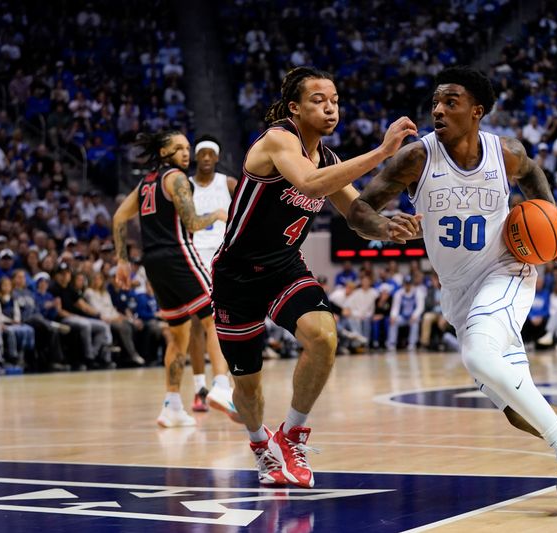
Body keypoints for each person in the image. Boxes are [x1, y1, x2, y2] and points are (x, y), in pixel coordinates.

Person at [347, 67, 557, 500]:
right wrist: (384, 228)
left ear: (476, 111)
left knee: (479, 355)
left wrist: (553, 215)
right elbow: (359, 209)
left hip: (505, 271)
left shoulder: (505, 152)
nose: (438, 109)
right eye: (436, 101)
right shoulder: (417, 157)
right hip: (457, 292)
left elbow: (532, 174)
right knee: (519, 412)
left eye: (450, 101)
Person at [209, 67, 418, 489]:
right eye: (319, 100)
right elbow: (308, 182)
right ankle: (260, 446)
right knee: (247, 388)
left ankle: (292, 435)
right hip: (236, 274)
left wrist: (387, 227)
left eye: (335, 100)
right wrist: (381, 153)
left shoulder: (330, 159)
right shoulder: (277, 140)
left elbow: (358, 215)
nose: (330, 107)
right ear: (294, 108)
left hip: (284, 266)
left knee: (323, 335)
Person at [112, 130, 238, 428]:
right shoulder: (177, 179)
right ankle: (221, 385)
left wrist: (121, 260)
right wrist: (218, 214)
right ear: (164, 152)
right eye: (179, 148)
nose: (186, 153)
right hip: (179, 254)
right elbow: (192, 222)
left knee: (178, 334)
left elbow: (119, 217)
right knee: (216, 318)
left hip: (153, 263)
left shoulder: (145, 183)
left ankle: (171, 405)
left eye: (187, 147)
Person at [188, 134, 238, 413]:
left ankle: (224, 383)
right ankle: (199, 388)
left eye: (211, 154)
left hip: (222, 258)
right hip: (194, 257)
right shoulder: (185, 186)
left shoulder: (228, 184)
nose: (206, 158)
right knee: (198, 323)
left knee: (224, 321)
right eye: (202, 153)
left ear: (217, 158)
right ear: (196, 156)